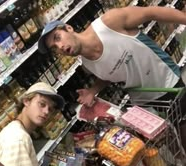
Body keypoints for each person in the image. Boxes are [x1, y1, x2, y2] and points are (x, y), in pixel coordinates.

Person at [38, 6, 186, 108]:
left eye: (58, 38)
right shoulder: (87, 64)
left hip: (168, 82)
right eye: (54, 48)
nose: (60, 46)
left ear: (69, 28)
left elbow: (151, 12)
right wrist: (92, 90)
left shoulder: (108, 23)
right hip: (146, 101)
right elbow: (109, 73)